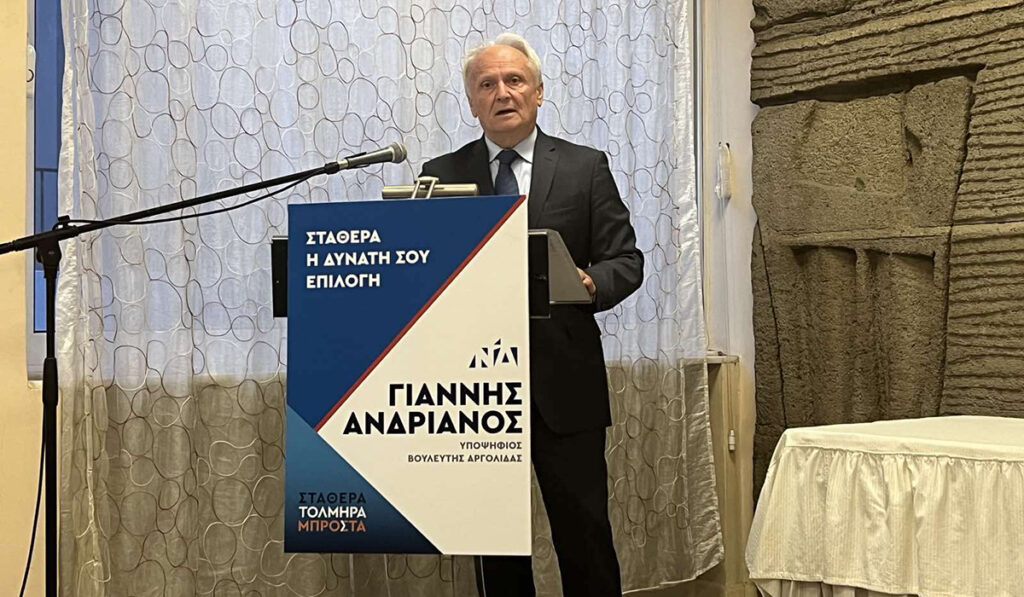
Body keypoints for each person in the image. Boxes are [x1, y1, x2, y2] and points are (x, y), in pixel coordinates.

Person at [420, 33, 643, 597]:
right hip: (474, 391)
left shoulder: (585, 167)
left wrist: (590, 283)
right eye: (487, 84)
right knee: (496, 551)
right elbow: (422, 269)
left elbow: (626, 260)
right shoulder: (439, 173)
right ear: (472, 102)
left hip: (564, 384)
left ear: (539, 92)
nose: (502, 92)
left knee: (584, 539)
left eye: (514, 80)